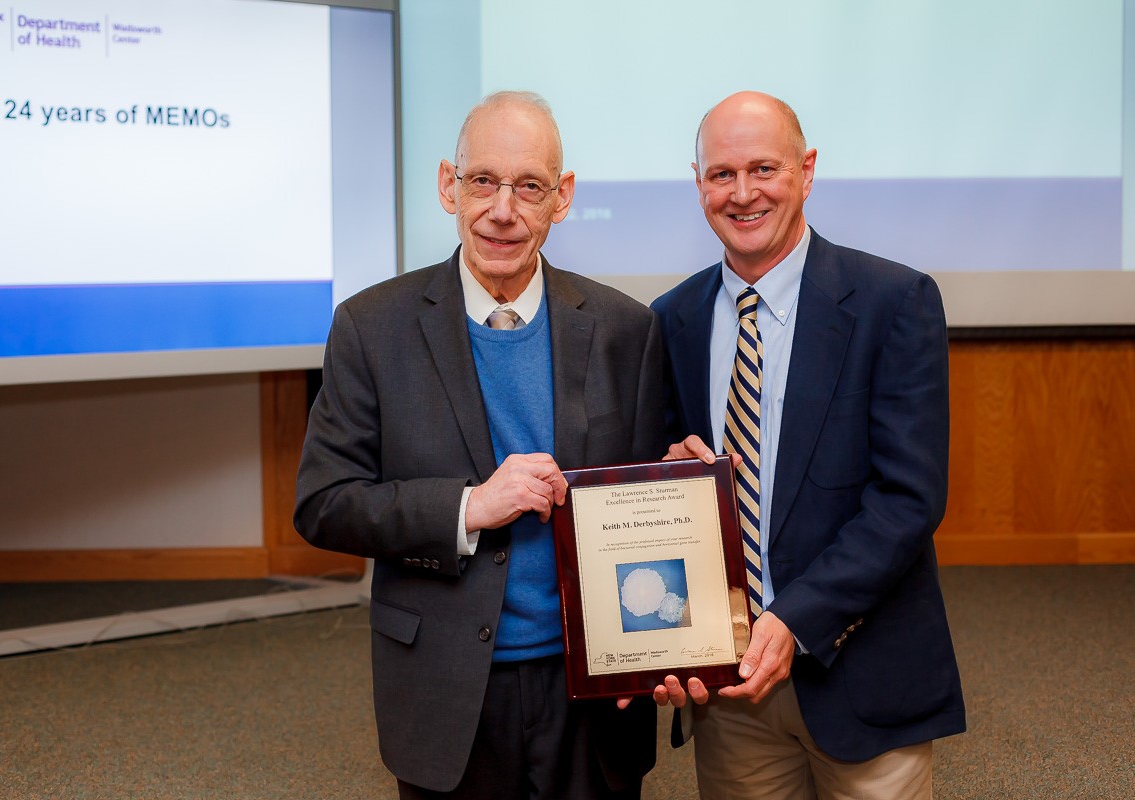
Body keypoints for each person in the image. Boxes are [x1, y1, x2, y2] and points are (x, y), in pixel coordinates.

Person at [294, 91, 663, 799]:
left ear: (564, 198)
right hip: (445, 685)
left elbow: (645, 504)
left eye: (530, 186)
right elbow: (324, 504)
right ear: (447, 185)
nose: (503, 208)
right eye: (483, 180)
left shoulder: (625, 330)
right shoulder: (372, 328)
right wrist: (469, 507)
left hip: (590, 689)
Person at [648, 91, 966, 798]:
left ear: (807, 169)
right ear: (697, 181)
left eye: (764, 168)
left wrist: (796, 618)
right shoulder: (671, 321)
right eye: (721, 174)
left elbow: (908, 499)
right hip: (731, 696)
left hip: (861, 675)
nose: (742, 193)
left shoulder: (894, 301)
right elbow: (665, 495)